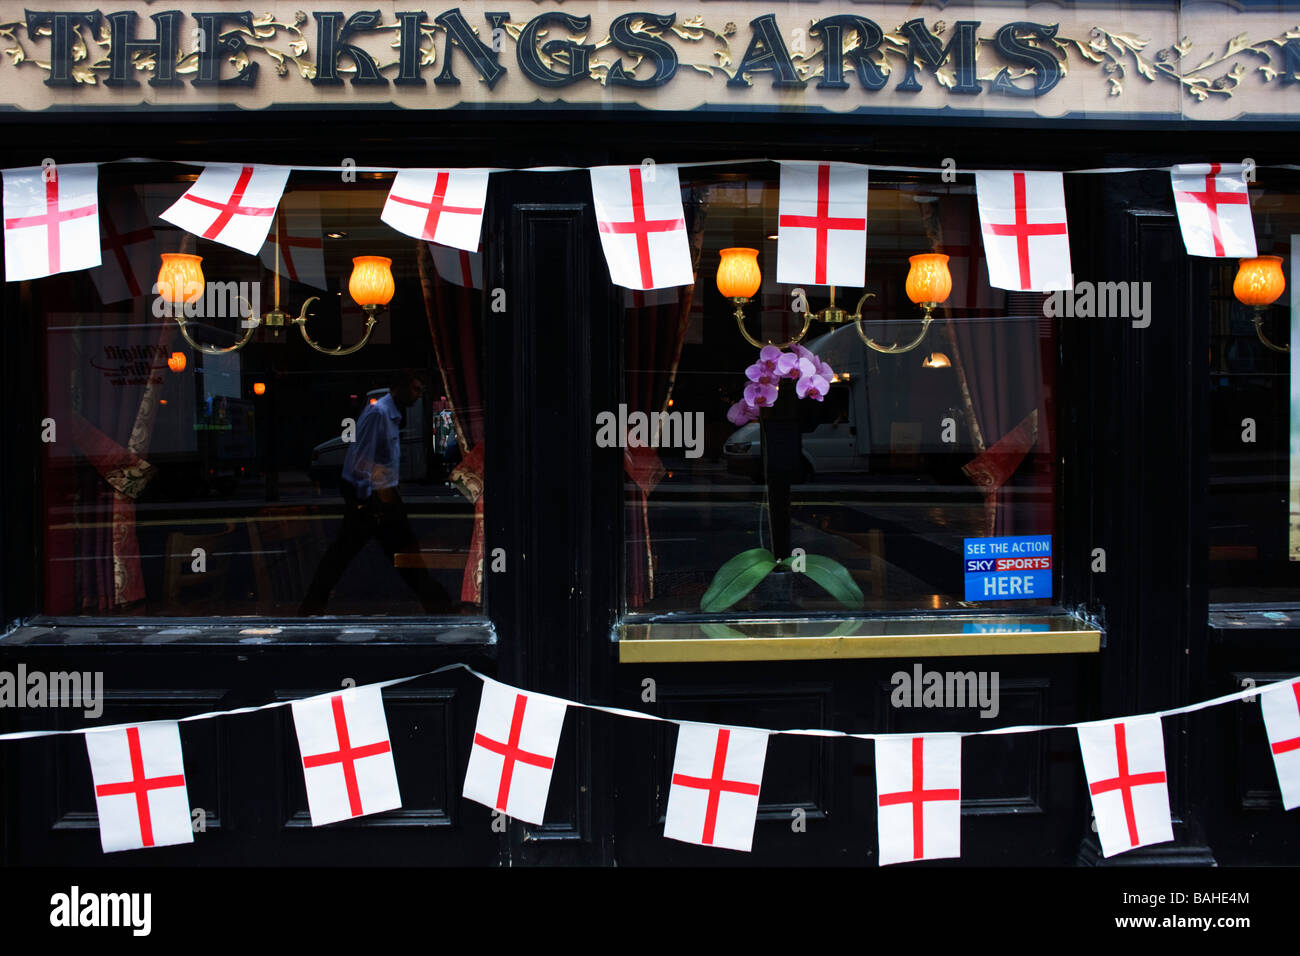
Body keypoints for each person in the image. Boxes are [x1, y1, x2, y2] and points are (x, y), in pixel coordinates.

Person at [299, 369, 455, 615]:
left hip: (382, 498)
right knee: (362, 557)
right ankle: (441, 608)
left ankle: (440, 607)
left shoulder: (390, 415)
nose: (418, 395)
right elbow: (360, 461)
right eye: (415, 389)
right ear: (400, 386)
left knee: (400, 556)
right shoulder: (378, 414)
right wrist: (375, 495)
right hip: (373, 501)